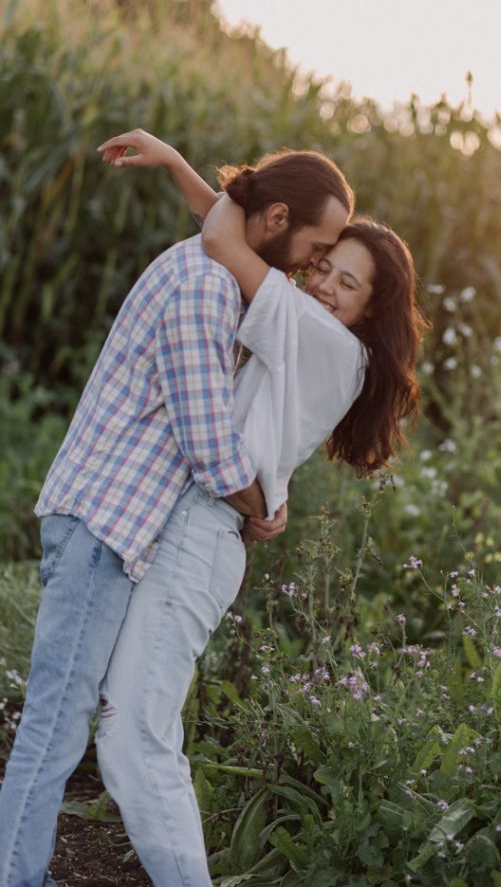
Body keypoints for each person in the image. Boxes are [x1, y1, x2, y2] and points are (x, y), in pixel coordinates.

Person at [0, 133, 355, 887]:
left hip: (107, 526)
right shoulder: (206, 288)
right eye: (316, 247)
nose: (312, 265)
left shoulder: (216, 269)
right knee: (55, 727)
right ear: (277, 219)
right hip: (103, 525)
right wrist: (264, 505)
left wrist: (181, 168)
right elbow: (206, 441)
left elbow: (224, 221)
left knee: (61, 722)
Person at [84, 139, 426, 886]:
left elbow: (222, 234)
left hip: (200, 536)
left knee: (136, 734)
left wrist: (182, 163)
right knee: (129, 721)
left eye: (349, 284)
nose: (326, 286)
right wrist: (177, 168)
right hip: (192, 526)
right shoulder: (303, 329)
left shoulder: (325, 341)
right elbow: (237, 231)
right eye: (324, 268)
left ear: (370, 310)